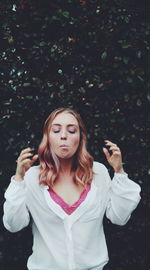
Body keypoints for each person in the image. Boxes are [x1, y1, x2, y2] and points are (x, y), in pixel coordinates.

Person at [3, 107, 141, 270]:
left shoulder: (99, 172)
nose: (63, 135)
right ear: (48, 137)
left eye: (71, 130)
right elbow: (13, 224)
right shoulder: (32, 177)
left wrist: (119, 172)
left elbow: (119, 217)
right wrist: (18, 179)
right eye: (56, 130)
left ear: (80, 137)